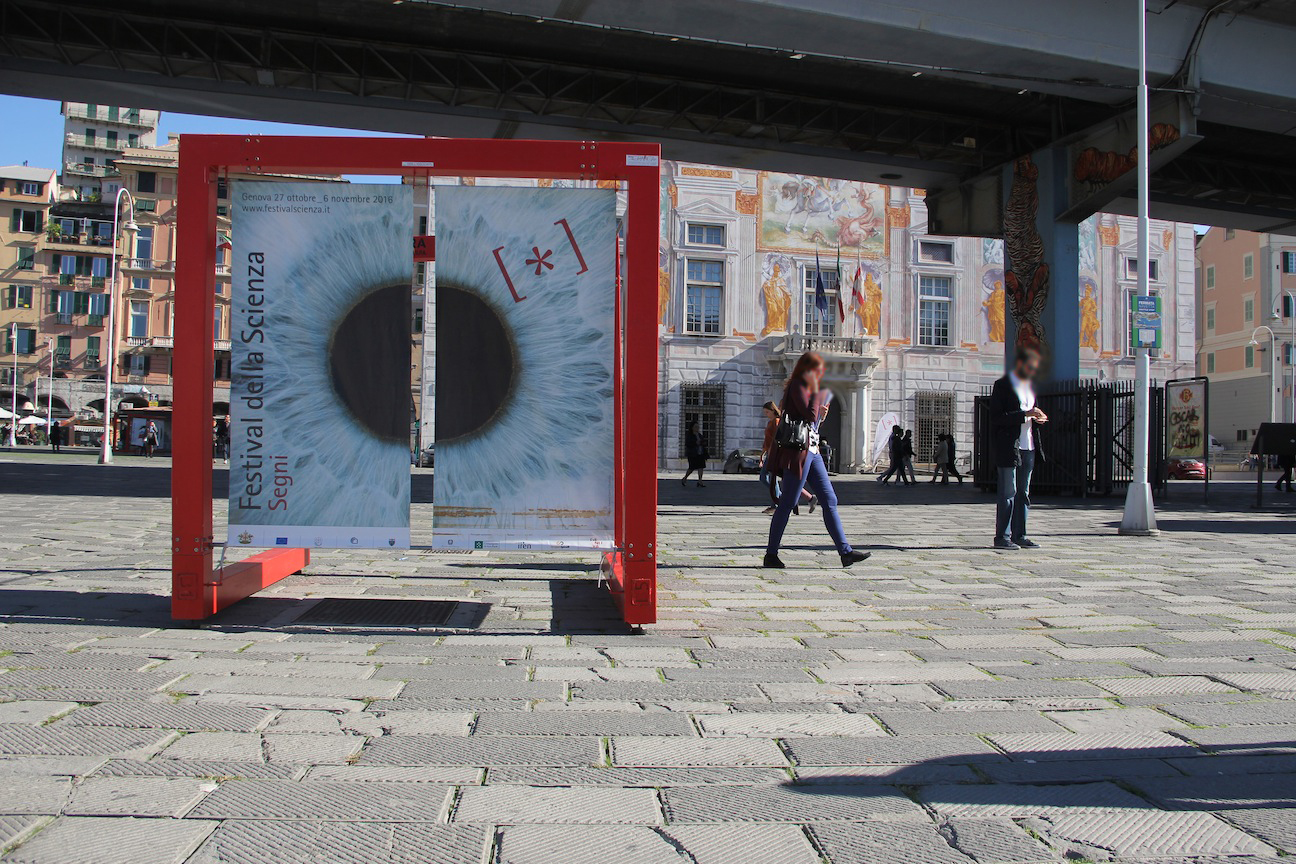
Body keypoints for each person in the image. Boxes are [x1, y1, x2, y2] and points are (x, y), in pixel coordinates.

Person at [764, 351, 870, 568]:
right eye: (818, 369)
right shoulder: (798, 386)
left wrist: (821, 412)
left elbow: (813, 422)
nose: (822, 373)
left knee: (830, 500)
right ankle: (771, 555)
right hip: (798, 453)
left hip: (812, 450)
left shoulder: (809, 387)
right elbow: (810, 414)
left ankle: (845, 552)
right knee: (788, 503)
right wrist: (818, 396)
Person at [990, 346, 1048, 549]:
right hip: (1009, 447)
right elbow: (996, 418)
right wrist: (1025, 415)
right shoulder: (1002, 386)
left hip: (1029, 446)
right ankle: (1002, 537)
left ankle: (1020, 535)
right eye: (1031, 367)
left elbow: (1032, 414)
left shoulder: (1030, 388)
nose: (1033, 372)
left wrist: (1039, 417)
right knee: (1008, 493)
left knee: (1024, 493)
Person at [759, 401, 814, 516]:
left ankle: (779, 502)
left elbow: (778, 440)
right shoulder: (772, 422)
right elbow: (767, 442)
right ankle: (807, 498)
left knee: (769, 478)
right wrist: (762, 455)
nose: (766, 414)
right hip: (771, 453)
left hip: (775, 454)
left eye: (767, 412)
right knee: (785, 480)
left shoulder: (777, 422)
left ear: (773, 410)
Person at [681, 420, 708, 487]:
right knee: (691, 468)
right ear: (692, 427)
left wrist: (703, 443)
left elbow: (704, 442)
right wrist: (695, 443)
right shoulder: (690, 435)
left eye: (698, 427)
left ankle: (700, 481)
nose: (697, 428)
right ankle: (685, 478)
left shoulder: (699, 435)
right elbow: (688, 444)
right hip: (692, 454)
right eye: (696, 427)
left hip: (700, 453)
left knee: (701, 467)